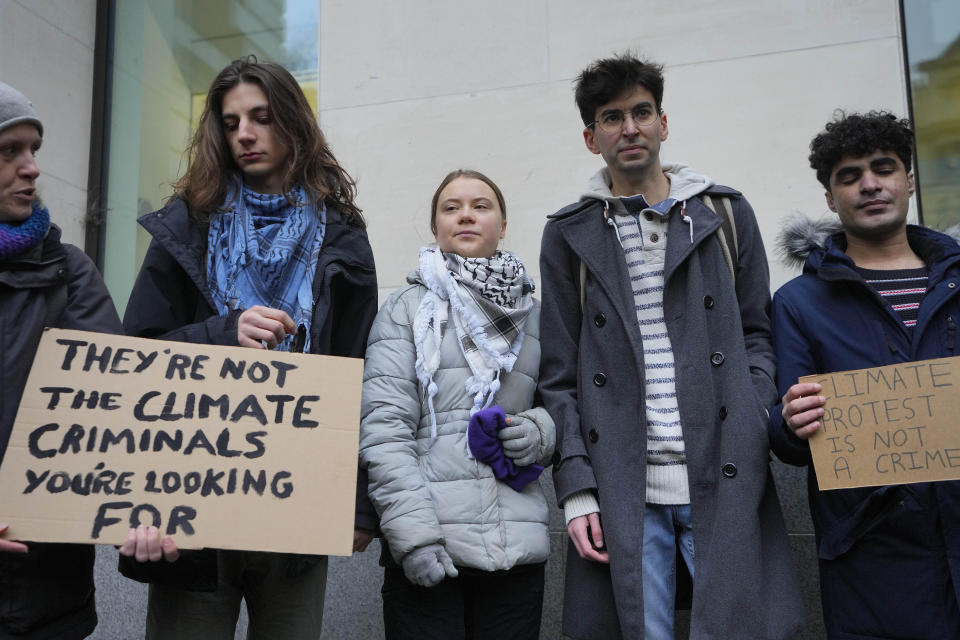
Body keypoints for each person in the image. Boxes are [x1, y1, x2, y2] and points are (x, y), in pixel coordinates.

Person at [537, 53, 803, 638]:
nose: (629, 128)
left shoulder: (724, 214)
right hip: (621, 484)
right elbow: (558, 376)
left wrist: (754, 411)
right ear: (591, 138)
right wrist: (578, 488)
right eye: (612, 118)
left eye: (641, 112)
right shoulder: (567, 233)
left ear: (663, 122)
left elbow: (758, 333)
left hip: (724, 469)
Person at [116, 57, 378, 639]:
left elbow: (362, 374)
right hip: (189, 501)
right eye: (231, 122)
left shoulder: (342, 234)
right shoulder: (187, 225)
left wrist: (359, 501)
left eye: (260, 118)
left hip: (298, 494)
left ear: (292, 123)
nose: (245, 134)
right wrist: (221, 333)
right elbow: (136, 358)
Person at [771, 111, 960, 638]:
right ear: (830, 198)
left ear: (909, 181)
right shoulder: (798, 304)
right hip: (871, 558)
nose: (870, 184)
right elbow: (787, 439)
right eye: (850, 176)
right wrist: (788, 421)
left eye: (883, 168)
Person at [359, 169, 555, 639]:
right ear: (435, 227)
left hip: (516, 548)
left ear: (502, 225)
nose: (465, 215)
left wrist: (539, 432)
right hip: (431, 548)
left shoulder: (534, 313)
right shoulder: (406, 309)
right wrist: (414, 539)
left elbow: (565, 406)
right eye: (451, 207)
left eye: (480, 205)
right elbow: (385, 429)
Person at [0, 82, 122, 639]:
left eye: (34, 151)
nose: (31, 169)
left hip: (42, 597)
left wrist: (139, 508)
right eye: (8, 152)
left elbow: (118, 415)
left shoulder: (69, 272)